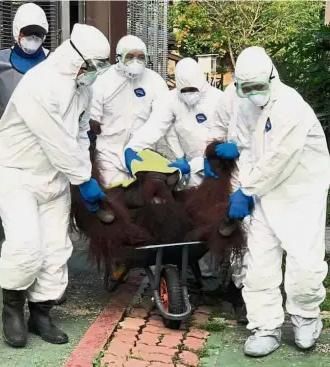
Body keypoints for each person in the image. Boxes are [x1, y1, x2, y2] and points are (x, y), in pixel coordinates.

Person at [0, 23, 110, 348]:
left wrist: (83, 171)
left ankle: (41, 313)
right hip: (15, 173)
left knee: (56, 250)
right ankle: (11, 308)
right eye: (93, 67)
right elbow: (55, 139)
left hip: (54, 175)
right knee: (26, 246)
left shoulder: (84, 88)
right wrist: (84, 180)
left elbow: (80, 134)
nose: (94, 73)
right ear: (75, 59)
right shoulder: (40, 84)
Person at [226, 46, 330, 357]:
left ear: (273, 77)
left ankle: (305, 317)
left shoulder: (291, 106)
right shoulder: (243, 107)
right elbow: (244, 151)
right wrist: (240, 188)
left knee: (304, 262)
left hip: (301, 194)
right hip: (263, 195)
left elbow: (280, 158)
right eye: (247, 88)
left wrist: (247, 189)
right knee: (258, 263)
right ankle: (265, 325)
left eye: (259, 86)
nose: (254, 93)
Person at [124, 57, 224, 188]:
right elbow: (154, 126)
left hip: (220, 166)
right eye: (185, 91)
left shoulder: (219, 100)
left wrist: (203, 162)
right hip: (191, 168)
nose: (189, 95)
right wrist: (132, 147)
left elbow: (225, 139)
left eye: (193, 90)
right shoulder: (171, 100)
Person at [87, 35, 169, 188]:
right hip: (108, 156)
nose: (135, 61)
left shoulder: (156, 82)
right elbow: (92, 119)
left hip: (143, 155)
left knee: (144, 206)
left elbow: (161, 120)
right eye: (129, 57)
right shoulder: (102, 80)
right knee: (112, 203)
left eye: (140, 57)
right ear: (119, 57)